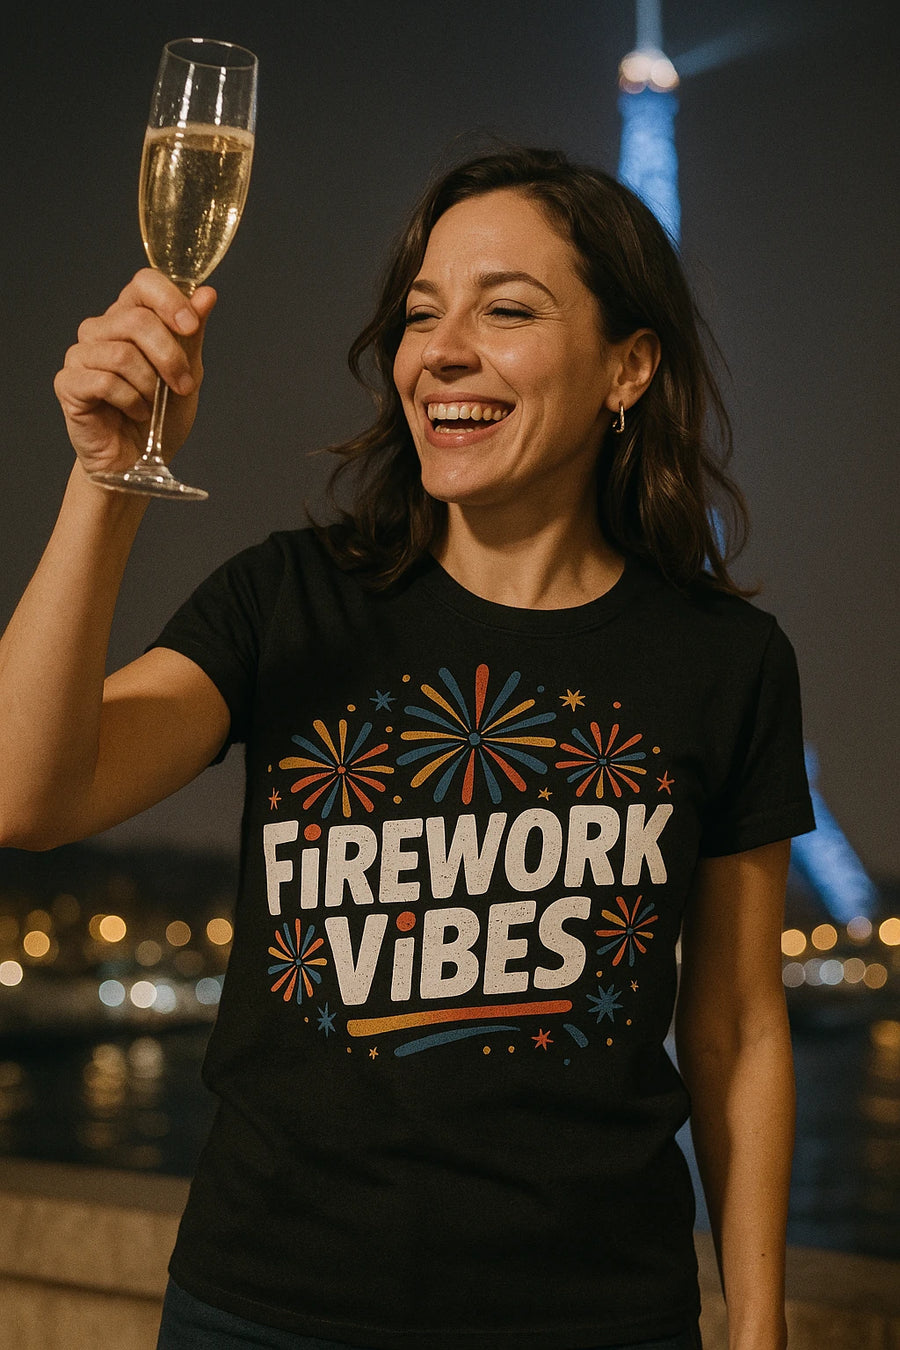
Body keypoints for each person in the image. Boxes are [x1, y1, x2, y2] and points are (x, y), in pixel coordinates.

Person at [0, 146, 815, 1350]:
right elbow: (29, 795)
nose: (441, 350)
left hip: (595, 1321)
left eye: (509, 309)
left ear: (628, 367)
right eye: (422, 313)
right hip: (266, 1313)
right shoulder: (289, 601)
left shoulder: (728, 662)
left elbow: (739, 1029)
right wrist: (107, 475)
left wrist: (756, 1328)